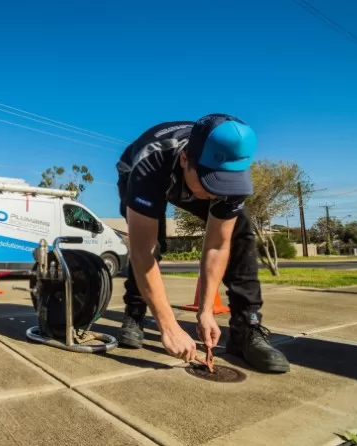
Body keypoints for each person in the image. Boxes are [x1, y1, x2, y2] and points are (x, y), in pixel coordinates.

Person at [115, 113, 290, 374]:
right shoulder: (151, 162)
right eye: (211, 181)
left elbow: (218, 246)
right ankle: (135, 313)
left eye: (225, 183)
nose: (217, 193)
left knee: (240, 231)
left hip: (187, 177)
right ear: (186, 159)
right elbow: (142, 252)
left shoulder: (234, 180)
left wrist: (206, 311)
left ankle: (246, 327)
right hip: (139, 173)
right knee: (154, 242)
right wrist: (169, 326)